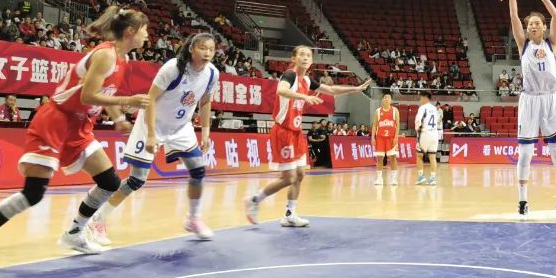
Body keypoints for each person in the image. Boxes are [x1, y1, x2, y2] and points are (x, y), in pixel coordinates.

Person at [0, 7, 151, 269]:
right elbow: (87, 95)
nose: (147, 35)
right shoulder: (105, 55)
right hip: (56, 121)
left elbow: (104, 93)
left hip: (79, 125)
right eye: (145, 30)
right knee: (33, 193)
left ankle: (74, 233)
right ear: (130, 31)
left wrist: (118, 118)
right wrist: (129, 100)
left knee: (109, 182)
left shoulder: (122, 59)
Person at [86, 33, 219, 245]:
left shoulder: (212, 73)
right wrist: (150, 134)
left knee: (198, 170)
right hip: (152, 123)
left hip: (180, 126)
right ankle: (98, 219)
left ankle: (193, 218)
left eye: (211, 49)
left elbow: (205, 101)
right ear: (191, 49)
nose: (207, 53)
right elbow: (150, 100)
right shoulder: (173, 68)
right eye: (203, 48)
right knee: (136, 180)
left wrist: (205, 132)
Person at [245, 46, 369, 227]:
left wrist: (355, 89)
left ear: (311, 61)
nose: (305, 58)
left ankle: (290, 214)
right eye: (301, 55)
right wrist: (304, 97)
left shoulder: (307, 80)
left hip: (296, 133)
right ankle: (254, 200)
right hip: (283, 131)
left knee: (300, 174)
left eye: (308, 55)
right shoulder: (290, 75)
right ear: (293, 58)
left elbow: (331, 90)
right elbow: (281, 90)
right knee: (288, 178)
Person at [498, 0, 556, 219]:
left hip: (549, 99)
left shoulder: (552, 44)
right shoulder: (523, 45)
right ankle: (522, 201)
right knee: (525, 153)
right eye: (530, 24)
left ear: (544, 27)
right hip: (529, 99)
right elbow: (514, 18)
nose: (533, 26)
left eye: (537, 23)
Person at [372, 91, 400, 186]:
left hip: (391, 138)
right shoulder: (378, 111)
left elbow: (398, 125)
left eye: (388, 97)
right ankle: (379, 178)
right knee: (379, 158)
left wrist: (396, 137)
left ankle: (394, 179)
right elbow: (374, 125)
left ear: (391, 100)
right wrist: (373, 138)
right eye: (385, 97)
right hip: (380, 138)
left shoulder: (395, 111)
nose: (386, 99)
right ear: (382, 100)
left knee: (393, 158)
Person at [414, 90, 441, 186]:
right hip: (434, 134)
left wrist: (417, 130)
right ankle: (432, 179)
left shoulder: (422, 108)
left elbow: (418, 121)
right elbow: (438, 120)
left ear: (425, 97)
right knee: (432, 157)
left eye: (421, 97)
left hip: (425, 133)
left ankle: (421, 177)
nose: (420, 99)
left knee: (419, 156)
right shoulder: (435, 108)